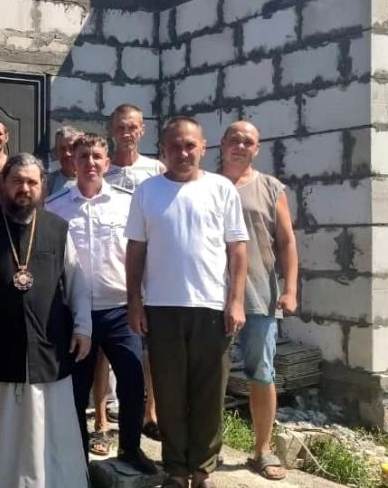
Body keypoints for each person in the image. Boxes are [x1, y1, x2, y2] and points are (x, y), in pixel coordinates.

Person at [0, 153, 92, 488]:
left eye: (31, 182)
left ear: (42, 186)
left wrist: (83, 327)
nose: (24, 189)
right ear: (3, 184)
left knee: (50, 425)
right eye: (17, 181)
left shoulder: (57, 228)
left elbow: (77, 283)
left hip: (48, 347)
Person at [125, 117, 248, 488]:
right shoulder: (147, 192)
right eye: (175, 146)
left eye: (190, 145)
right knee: (169, 393)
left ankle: (203, 469)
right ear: (163, 150)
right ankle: (177, 470)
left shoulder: (221, 189)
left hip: (212, 308)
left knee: (210, 394)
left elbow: (237, 250)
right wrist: (135, 303)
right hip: (161, 309)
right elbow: (135, 251)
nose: (183, 153)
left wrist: (236, 301)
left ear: (203, 147)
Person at [46, 134, 157, 474]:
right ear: (73, 161)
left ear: (107, 163)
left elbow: (141, 253)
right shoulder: (55, 206)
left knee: (132, 381)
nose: (90, 162)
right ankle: (76, 458)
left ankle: (130, 449)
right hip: (74, 314)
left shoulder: (128, 203)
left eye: (97, 156)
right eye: (83, 156)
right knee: (76, 390)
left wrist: (142, 301)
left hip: (120, 309)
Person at [220, 121, 298, 481]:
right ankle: (206, 448)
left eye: (248, 141)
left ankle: (263, 450)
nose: (240, 145)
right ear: (221, 144)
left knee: (262, 373)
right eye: (234, 139)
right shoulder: (206, 184)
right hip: (210, 295)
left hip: (258, 295)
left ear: (257, 148)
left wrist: (290, 289)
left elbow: (286, 241)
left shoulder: (270, 187)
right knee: (209, 375)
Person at [97, 103, 166, 446]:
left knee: (149, 343)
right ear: (112, 130)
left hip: (152, 267)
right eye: (121, 127)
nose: (127, 133)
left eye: (132, 127)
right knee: (107, 347)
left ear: (142, 130)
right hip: (112, 269)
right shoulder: (103, 170)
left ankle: (150, 412)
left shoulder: (156, 169)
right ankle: (103, 414)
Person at [46, 126, 85, 196]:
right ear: (56, 152)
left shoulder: (96, 179)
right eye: (62, 149)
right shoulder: (48, 184)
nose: (67, 153)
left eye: (71, 148)